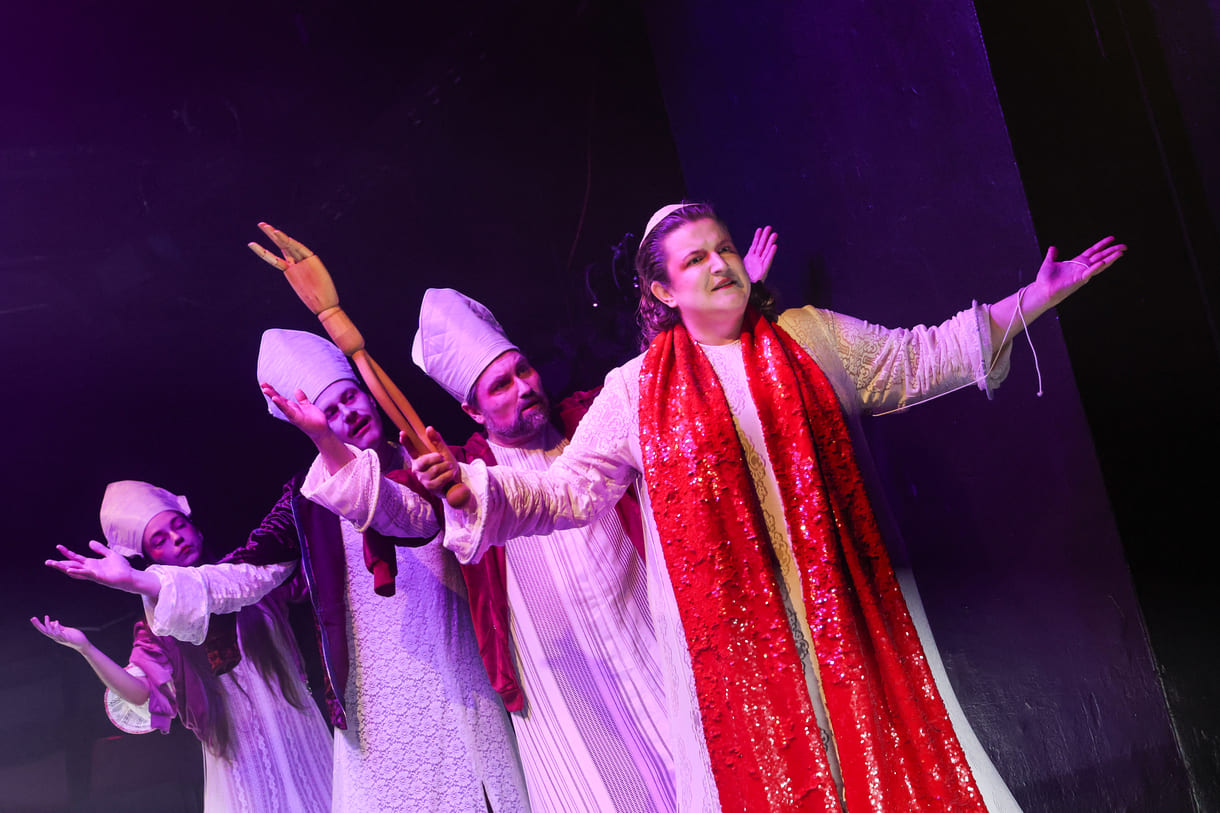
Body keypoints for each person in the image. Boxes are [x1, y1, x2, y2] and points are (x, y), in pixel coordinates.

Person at [412, 202, 1126, 813]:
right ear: (661, 289)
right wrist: (473, 488)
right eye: (695, 260)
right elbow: (570, 489)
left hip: (842, 612)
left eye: (724, 248)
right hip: (728, 643)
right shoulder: (634, 391)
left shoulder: (809, 336)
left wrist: (1030, 300)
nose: (719, 264)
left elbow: (918, 359)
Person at [50, 329, 531, 812]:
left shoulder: (434, 460)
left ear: (368, 394)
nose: (351, 415)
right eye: (333, 413)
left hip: (463, 662)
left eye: (351, 399)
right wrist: (139, 581)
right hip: (377, 689)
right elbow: (243, 576)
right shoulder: (307, 501)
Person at [36, 479, 333, 812]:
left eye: (179, 526)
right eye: (160, 540)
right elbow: (141, 693)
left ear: (197, 530)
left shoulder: (243, 574)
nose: (177, 538)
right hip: (238, 751)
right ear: (151, 559)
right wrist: (86, 648)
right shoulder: (158, 624)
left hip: (297, 726)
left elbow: (314, 579)